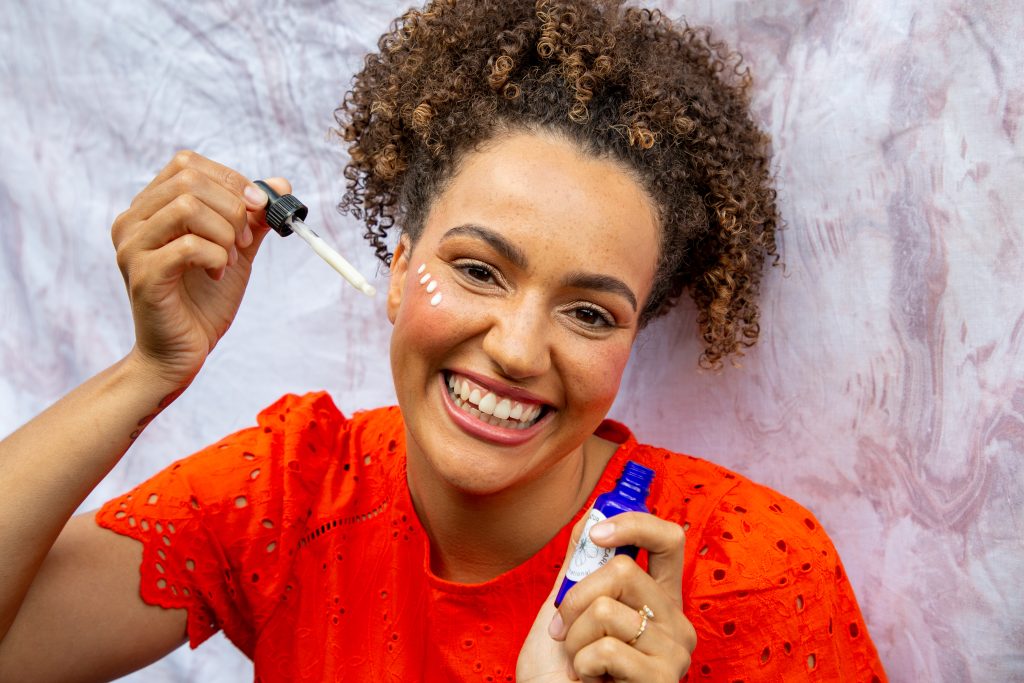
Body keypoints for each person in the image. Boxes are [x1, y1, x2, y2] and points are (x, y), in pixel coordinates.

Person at [0, 0, 888, 681]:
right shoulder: (293, 492)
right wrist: (149, 370)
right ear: (396, 269)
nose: (516, 347)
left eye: (589, 312)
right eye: (477, 270)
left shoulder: (755, 566)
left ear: (635, 332)